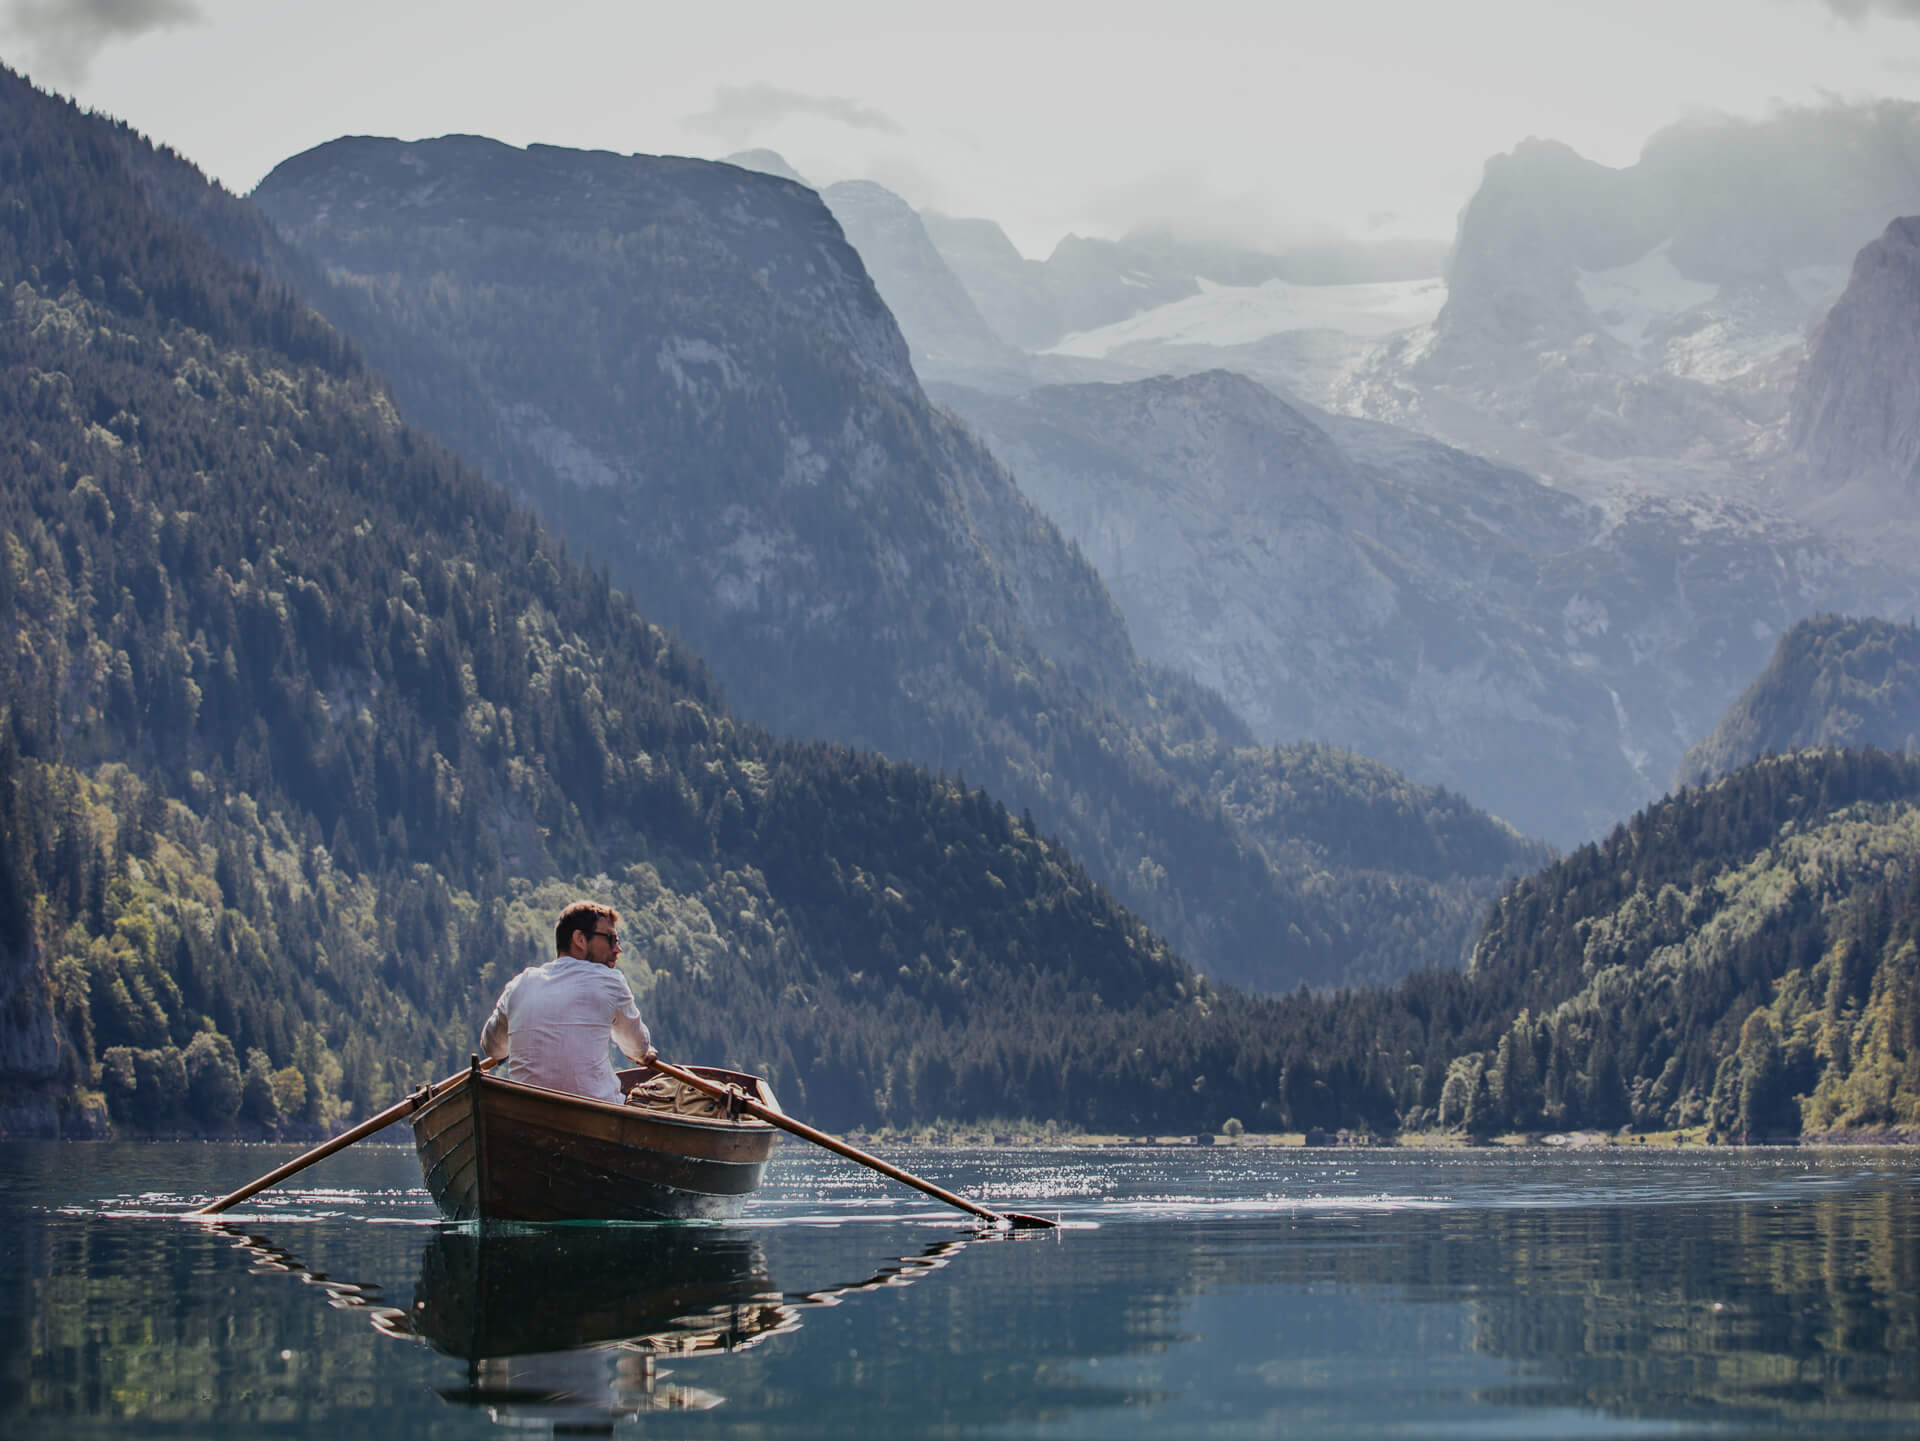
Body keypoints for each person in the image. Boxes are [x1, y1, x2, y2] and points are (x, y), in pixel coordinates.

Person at [480, 901, 657, 1103]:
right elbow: (636, 1046)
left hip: (526, 1111)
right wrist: (645, 1053)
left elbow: (493, 1048)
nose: (618, 949)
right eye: (611, 939)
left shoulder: (519, 984)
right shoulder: (610, 981)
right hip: (596, 1113)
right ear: (580, 939)